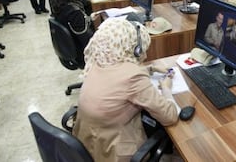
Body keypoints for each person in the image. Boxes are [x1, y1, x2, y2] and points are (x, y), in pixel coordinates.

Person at [73, 18, 179, 162]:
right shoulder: (133, 76)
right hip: (111, 152)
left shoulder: (98, 60)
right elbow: (170, 116)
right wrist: (166, 89)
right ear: (135, 49)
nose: (145, 55)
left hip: (87, 142)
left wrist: (150, 69)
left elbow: (117, 77)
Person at [48, 0, 94, 64]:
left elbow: (76, 27)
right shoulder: (74, 13)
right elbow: (89, 41)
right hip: (84, 55)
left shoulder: (61, 7)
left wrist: (89, 19)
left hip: (76, 51)